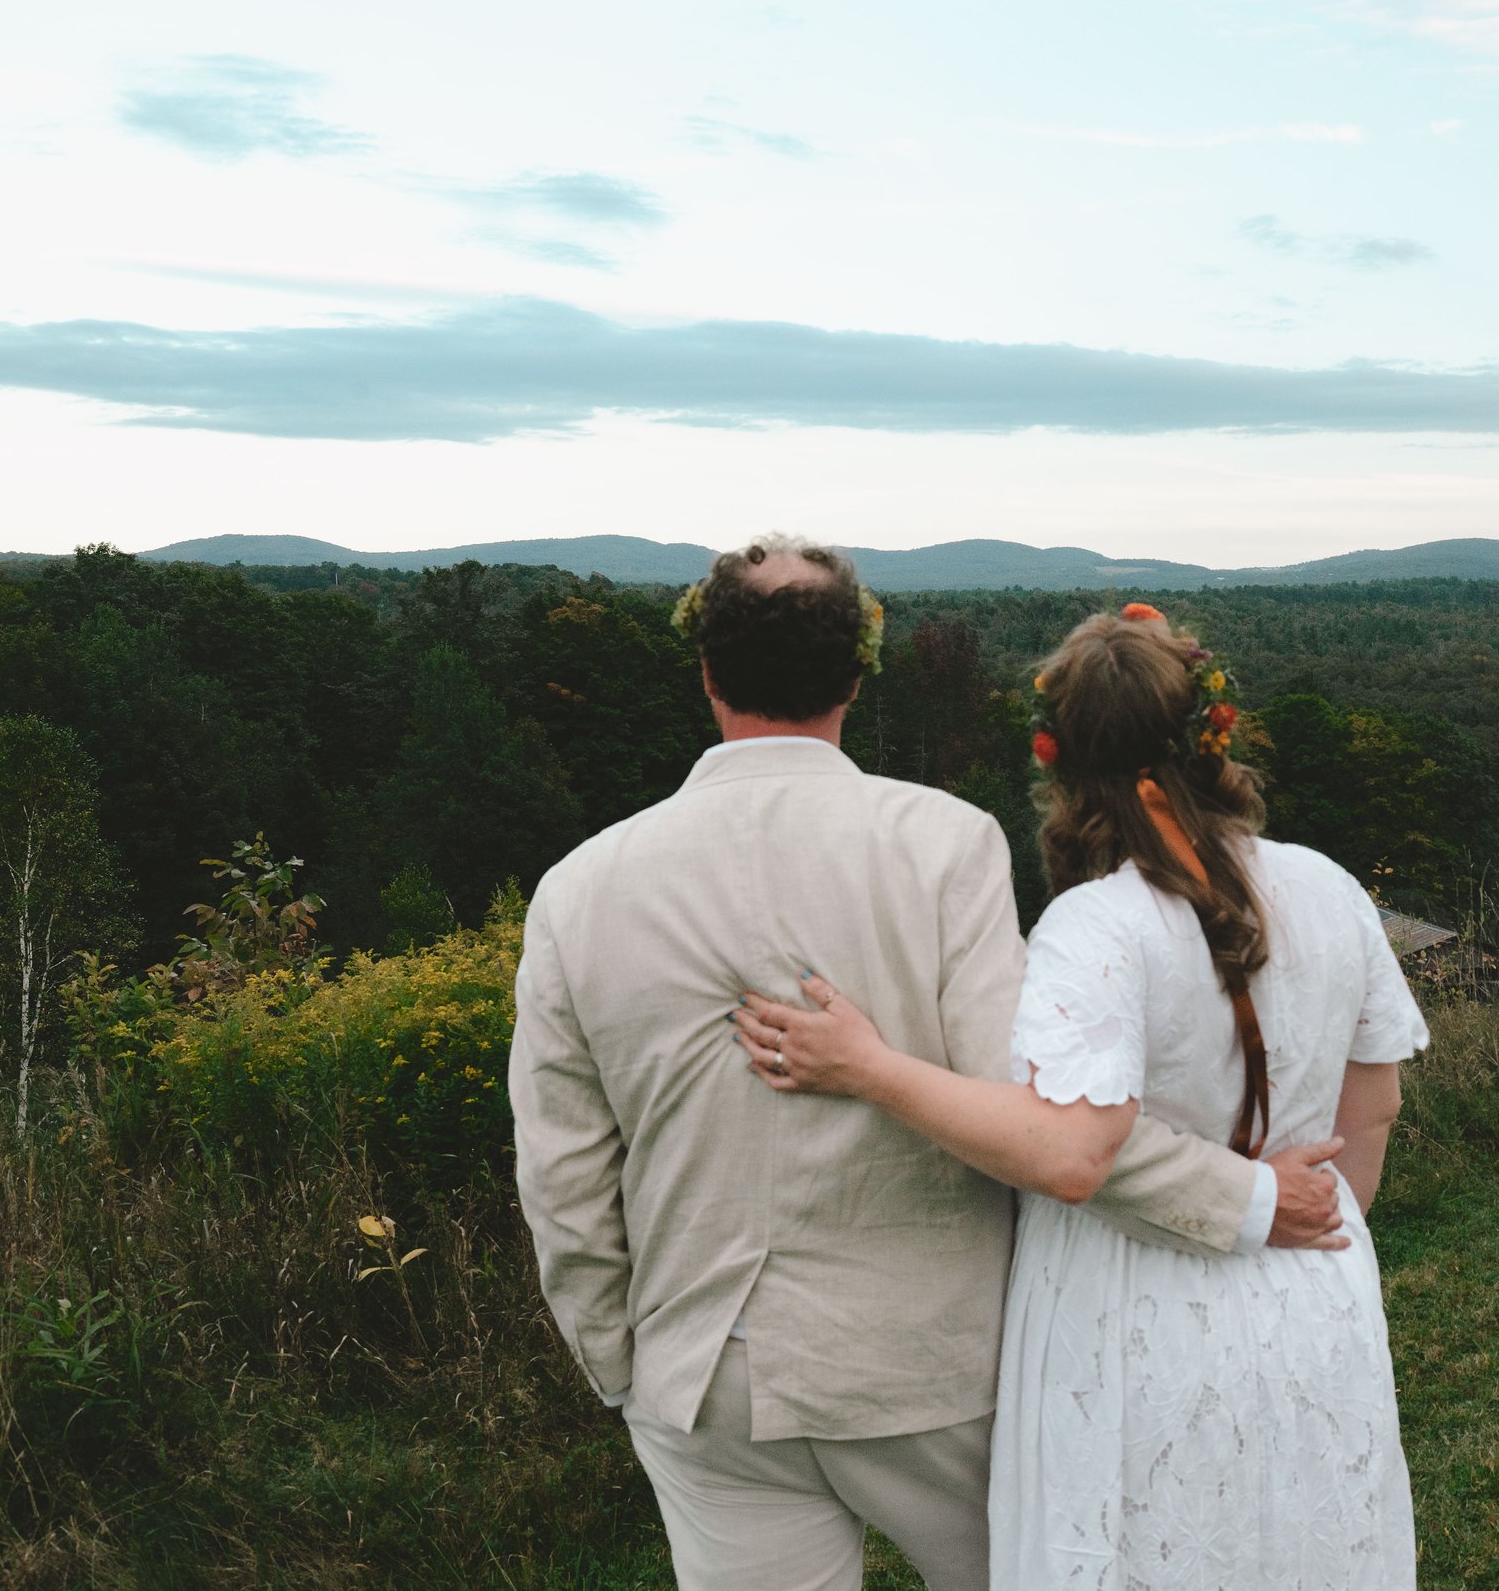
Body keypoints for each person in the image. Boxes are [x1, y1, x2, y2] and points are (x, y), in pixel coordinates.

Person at [509, 541, 1351, 1591]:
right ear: (856, 676)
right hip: (934, 1367)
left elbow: (561, 1174)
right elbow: (1041, 1116)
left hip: (703, 1376)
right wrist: (1243, 1196)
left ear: (708, 673)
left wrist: (622, 1363)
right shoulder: (944, 843)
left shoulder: (577, 890)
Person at [734, 601, 1427, 1590]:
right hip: (1318, 1292)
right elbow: (1375, 1105)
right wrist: (1309, 1229)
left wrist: (867, 1066)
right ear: (1211, 735)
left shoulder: (1094, 926)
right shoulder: (1329, 887)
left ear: (1062, 763)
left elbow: (1071, 1150)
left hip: (1131, 1311)